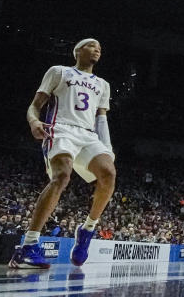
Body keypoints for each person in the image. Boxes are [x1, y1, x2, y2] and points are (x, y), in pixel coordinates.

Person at [9, 38, 116, 269]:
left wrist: (107, 148)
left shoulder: (103, 84)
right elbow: (35, 105)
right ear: (77, 51)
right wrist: (33, 121)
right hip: (60, 129)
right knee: (62, 177)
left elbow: (101, 118)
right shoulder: (59, 72)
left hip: (88, 135)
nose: (97, 48)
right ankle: (28, 246)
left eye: (99, 47)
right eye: (91, 45)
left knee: (109, 173)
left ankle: (87, 229)